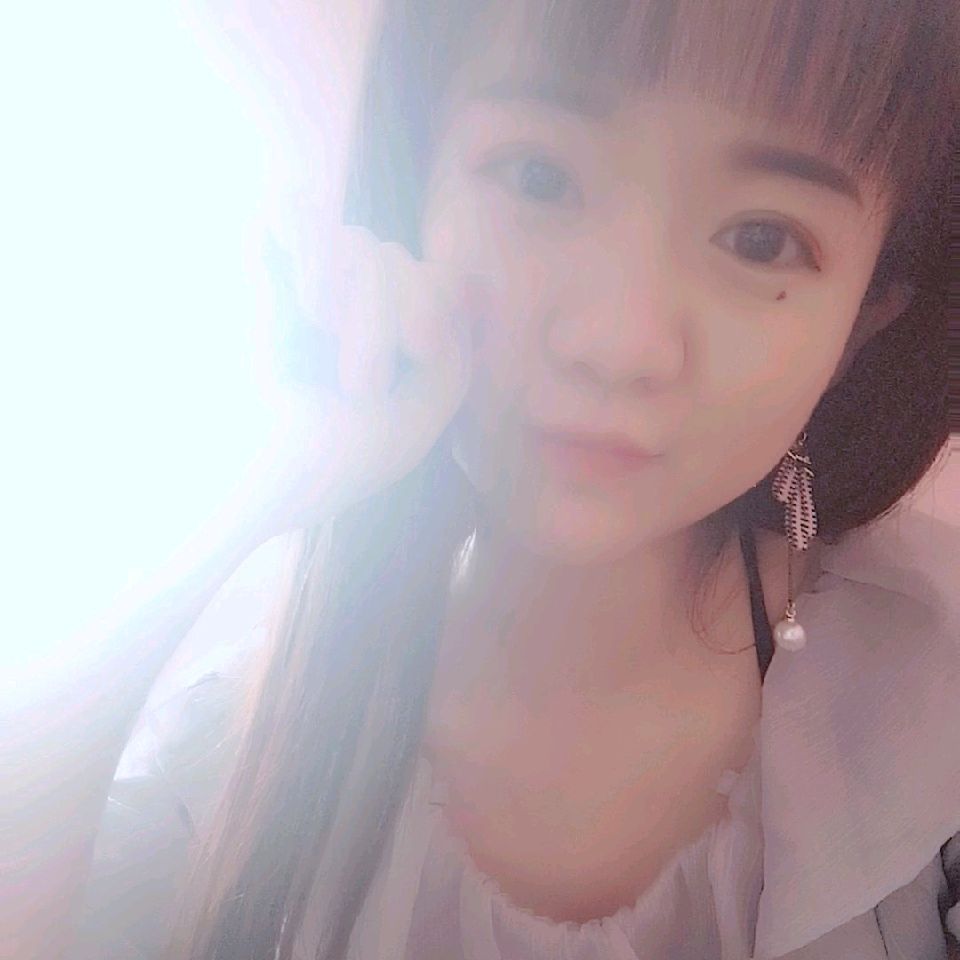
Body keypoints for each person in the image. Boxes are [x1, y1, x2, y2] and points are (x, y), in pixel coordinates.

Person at [3, 1, 959, 958]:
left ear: (860, 324)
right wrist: (239, 498)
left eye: (761, 241)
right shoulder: (231, 746)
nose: (617, 343)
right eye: (539, 176)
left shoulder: (931, 689)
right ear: (409, 194)